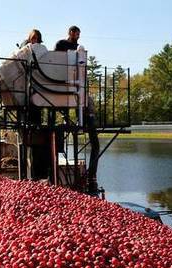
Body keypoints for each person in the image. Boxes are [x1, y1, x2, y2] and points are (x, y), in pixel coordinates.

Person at [54, 26, 100, 194]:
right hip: (61, 81)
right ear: (69, 33)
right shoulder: (61, 44)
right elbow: (54, 62)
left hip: (76, 84)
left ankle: (88, 120)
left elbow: (82, 67)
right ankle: (66, 120)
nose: (76, 35)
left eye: (78, 33)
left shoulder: (80, 49)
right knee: (64, 100)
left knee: (86, 101)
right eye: (74, 33)